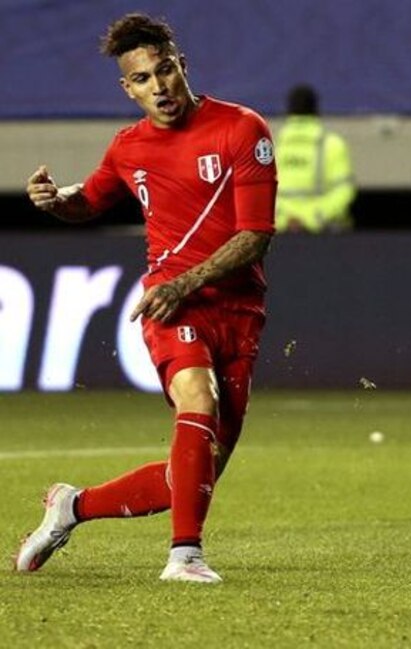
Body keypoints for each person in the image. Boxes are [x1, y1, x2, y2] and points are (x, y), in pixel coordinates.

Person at [15, 13, 277, 584]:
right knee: (197, 399)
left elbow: (254, 235)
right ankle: (185, 557)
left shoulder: (242, 129)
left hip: (239, 310)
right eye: (142, 79)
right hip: (171, 304)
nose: (158, 87)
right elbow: (90, 199)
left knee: (196, 475)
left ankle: (72, 506)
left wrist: (188, 281)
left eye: (165, 71)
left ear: (183, 66)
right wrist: (57, 201)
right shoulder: (128, 148)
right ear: (127, 88)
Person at [274, 84, 356, 234]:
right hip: (324, 234)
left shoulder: (271, 145)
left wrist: (283, 219)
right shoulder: (333, 144)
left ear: (288, 111)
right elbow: (344, 192)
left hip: (281, 233)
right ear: (317, 110)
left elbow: (258, 194)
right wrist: (314, 218)